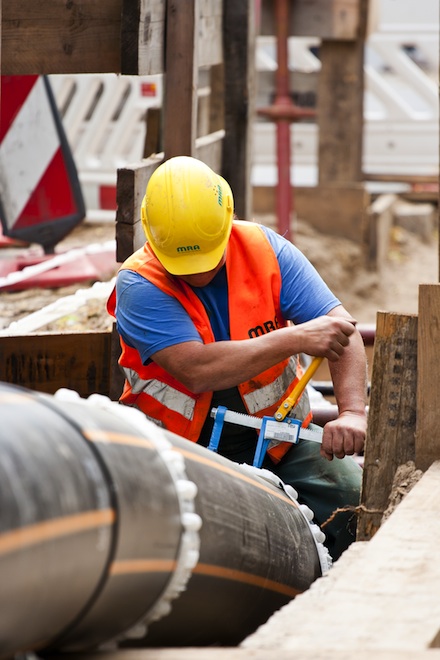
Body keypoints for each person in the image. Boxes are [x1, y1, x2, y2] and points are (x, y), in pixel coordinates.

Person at [107, 156, 368, 561]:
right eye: (183, 264)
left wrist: (352, 412)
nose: (197, 274)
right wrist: (295, 337)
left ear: (228, 219)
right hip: (180, 453)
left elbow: (343, 333)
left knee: (352, 499)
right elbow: (196, 370)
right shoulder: (139, 283)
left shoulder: (267, 251)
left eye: (208, 258)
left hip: (281, 442)